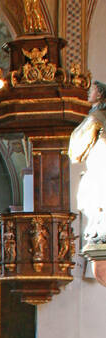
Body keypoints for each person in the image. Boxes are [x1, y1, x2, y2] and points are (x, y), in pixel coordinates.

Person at [69, 80, 106, 247]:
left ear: (99, 94)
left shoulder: (96, 117)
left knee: (95, 200)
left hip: (99, 162)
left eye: (92, 90)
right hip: (97, 161)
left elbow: (76, 149)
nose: (88, 93)